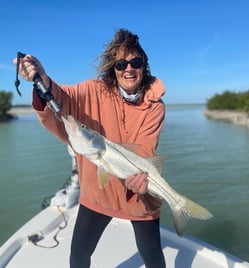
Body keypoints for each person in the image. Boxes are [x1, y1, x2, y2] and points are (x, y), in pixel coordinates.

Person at [14, 28, 166, 268]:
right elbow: (63, 96)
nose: (128, 68)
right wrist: (41, 80)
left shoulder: (155, 106)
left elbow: (146, 147)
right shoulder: (93, 91)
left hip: (139, 195)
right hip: (97, 191)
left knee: (153, 256)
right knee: (78, 256)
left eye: (135, 62)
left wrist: (141, 178)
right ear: (112, 69)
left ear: (143, 66)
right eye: (121, 64)